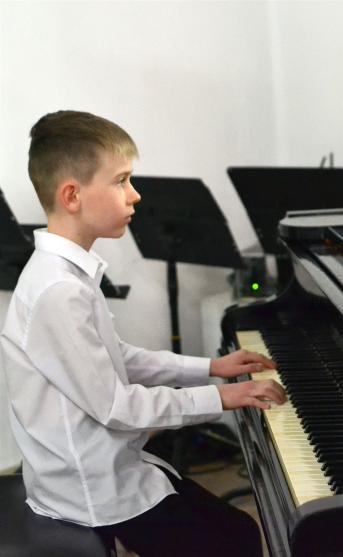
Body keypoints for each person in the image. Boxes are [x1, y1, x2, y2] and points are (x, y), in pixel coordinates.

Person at [0, 110, 286, 557]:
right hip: (89, 488)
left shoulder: (65, 274)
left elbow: (120, 357)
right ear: (72, 195)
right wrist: (222, 397)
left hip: (109, 464)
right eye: (121, 181)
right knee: (237, 538)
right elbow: (118, 407)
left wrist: (211, 367)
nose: (135, 194)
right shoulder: (58, 290)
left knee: (235, 530)